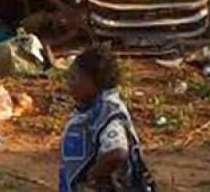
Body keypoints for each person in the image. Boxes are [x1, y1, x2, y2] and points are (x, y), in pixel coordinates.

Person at [59, 45, 155, 192]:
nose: (69, 84)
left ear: (94, 81)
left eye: (74, 78)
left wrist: (93, 177)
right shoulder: (91, 109)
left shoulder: (108, 113)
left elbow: (117, 152)